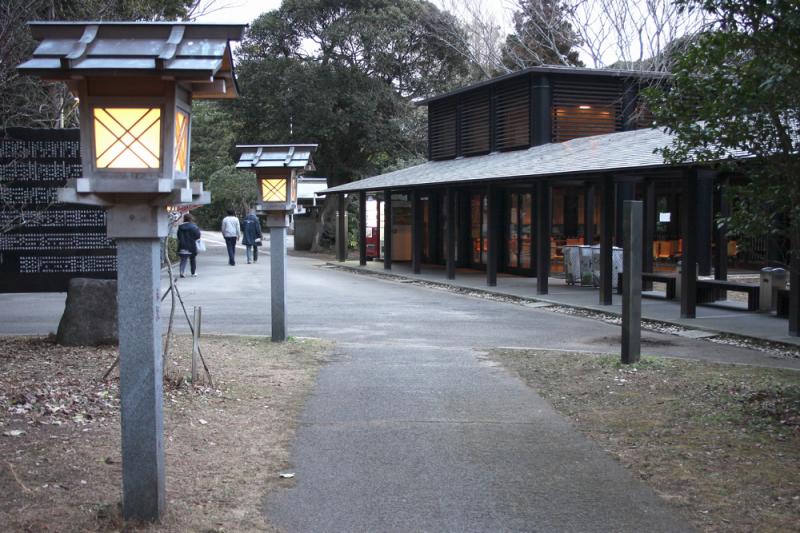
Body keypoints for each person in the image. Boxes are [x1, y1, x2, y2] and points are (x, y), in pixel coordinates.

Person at [176, 213, 201, 278]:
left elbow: (178, 236)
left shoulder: (180, 227)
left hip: (182, 245)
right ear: (191, 219)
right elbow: (198, 236)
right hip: (191, 245)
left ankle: (182, 272)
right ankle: (193, 272)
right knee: (192, 259)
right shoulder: (194, 226)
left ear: (184, 219)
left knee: (183, 259)